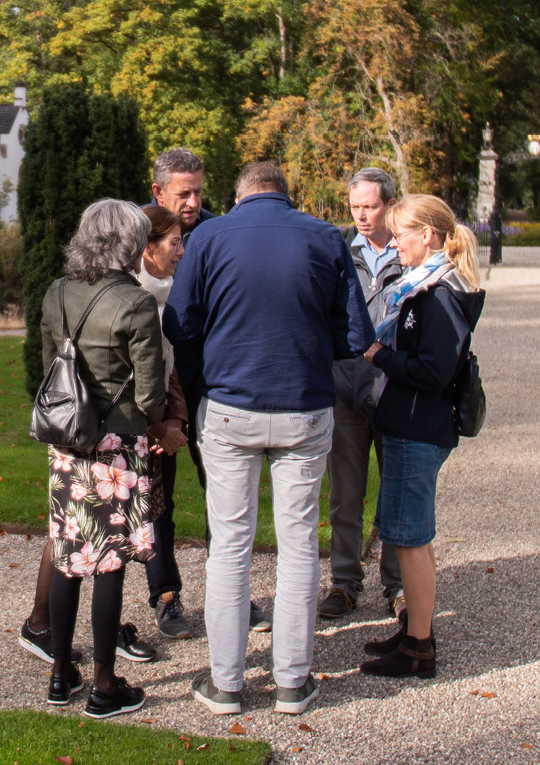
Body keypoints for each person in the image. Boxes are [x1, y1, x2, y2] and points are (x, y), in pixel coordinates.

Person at [166, 162, 375, 717]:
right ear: (286, 195)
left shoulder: (208, 237)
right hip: (302, 405)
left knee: (230, 545)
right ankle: (291, 680)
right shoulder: (325, 237)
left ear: (238, 199)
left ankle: (227, 682)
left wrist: (194, 389)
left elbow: (180, 326)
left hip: (230, 407)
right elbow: (354, 334)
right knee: (299, 541)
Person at [37, 199, 167, 718]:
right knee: (109, 563)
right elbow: (152, 399)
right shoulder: (135, 304)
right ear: (129, 246)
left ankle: (59, 672)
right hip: (117, 447)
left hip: (68, 441)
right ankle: (104, 684)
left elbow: (51, 369)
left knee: (70, 558)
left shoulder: (56, 293)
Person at [358, 194, 484, 679]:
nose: (395, 246)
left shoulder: (440, 294)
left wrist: (380, 356)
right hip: (408, 423)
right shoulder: (424, 288)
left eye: (402, 236)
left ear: (427, 236)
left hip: (418, 426)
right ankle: (414, 631)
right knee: (409, 537)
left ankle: (419, 646)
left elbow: (434, 370)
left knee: (411, 540)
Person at [144, 147, 267, 633]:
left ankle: (232, 592)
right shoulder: (139, 234)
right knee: (158, 495)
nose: (193, 201)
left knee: (224, 491)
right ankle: (166, 594)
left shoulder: (221, 231)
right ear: (158, 193)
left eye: (199, 191)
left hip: (214, 382)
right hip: (153, 387)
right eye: (183, 193)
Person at [321, 168, 408, 620]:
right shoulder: (339, 250)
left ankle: (397, 585)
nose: (360, 215)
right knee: (345, 492)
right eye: (354, 206)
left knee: (396, 493)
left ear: (389, 205)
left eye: (369, 206)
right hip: (344, 388)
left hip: (394, 391)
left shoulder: (410, 253)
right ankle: (344, 582)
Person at [132, 205, 192, 639]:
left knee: (160, 511)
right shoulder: (130, 295)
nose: (182, 251)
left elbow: (170, 369)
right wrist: (156, 426)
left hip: (161, 424)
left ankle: (166, 596)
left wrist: (174, 421)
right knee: (118, 521)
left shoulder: (176, 292)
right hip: (127, 430)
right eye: (175, 243)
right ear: (148, 248)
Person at [148, 147, 217, 237]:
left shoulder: (216, 230)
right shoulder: (135, 228)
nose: (193, 204)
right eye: (183, 194)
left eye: (197, 192)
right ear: (159, 192)